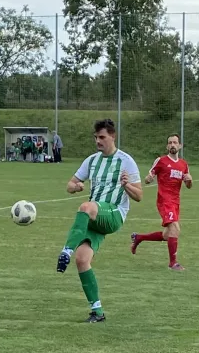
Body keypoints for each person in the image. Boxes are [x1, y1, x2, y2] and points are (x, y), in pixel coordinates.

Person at [56, 119, 143, 323]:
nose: (98, 141)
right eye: (96, 137)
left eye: (102, 137)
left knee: (86, 206)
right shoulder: (92, 161)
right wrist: (75, 187)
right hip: (96, 216)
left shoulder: (126, 161)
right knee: (82, 259)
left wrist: (126, 185)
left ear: (113, 136)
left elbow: (139, 196)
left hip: (114, 214)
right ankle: (97, 312)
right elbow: (70, 184)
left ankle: (65, 251)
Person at [130, 134, 192, 271]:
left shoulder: (183, 164)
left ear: (180, 146)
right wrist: (149, 178)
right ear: (167, 146)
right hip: (164, 201)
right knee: (175, 229)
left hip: (175, 202)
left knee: (167, 235)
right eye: (170, 143)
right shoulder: (161, 161)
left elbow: (188, 185)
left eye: (175, 142)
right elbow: (147, 178)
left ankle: (139, 238)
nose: (172, 145)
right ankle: (173, 263)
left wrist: (189, 180)